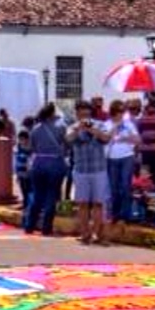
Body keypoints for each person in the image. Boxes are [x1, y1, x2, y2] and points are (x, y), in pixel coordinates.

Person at [68, 99, 113, 245]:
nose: (84, 117)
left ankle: (96, 233)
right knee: (82, 204)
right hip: (81, 171)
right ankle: (85, 233)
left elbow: (106, 138)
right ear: (77, 114)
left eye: (86, 113)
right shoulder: (73, 127)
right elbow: (68, 138)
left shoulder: (100, 125)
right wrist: (79, 128)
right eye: (81, 114)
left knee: (98, 204)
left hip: (98, 170)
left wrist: (92, 129)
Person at [24, 103, 67, 236]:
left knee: (37, 196)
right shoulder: (61, 127)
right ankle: (46, 228)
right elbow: (67, 142)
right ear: (52, 113)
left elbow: (31, 148)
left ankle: (29, 225)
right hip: (55, 163)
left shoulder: (35, 129)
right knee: (52, 196)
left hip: (39, 163)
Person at [103, 99, 140, 227]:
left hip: (127, 157)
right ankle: (114, 214)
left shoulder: (129, 124)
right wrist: (115, 127)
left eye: (123, 111)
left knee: (125, 186)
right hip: (112, 158)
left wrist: (126, 137)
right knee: (114, 188)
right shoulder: (107, 124)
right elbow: (105, 139)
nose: (122, 114)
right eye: (119, 111)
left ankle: (125, 216)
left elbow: (137, 140)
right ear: (114, 112)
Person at [14, 129, 32, 205]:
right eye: (20, 139)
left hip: (28, 173)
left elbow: (31, 161)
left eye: (23, 139)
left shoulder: (31, 148)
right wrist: (17, 174)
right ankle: (25, 203)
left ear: (27, 139)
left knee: (29, 189)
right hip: (20, 172)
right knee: (23, 189)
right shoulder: (18, 147)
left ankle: (29, 204)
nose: (21, 141)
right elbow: (16, 161)